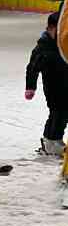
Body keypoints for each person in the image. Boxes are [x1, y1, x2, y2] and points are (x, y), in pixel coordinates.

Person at [25, 12, 68, 156]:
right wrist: (30, 87)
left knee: (62, 113)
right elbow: (32, 68)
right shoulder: (43, 47)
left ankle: (53, 139)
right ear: (50, 28)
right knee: (57, 112)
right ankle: (51, 140)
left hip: (65, 84)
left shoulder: (63, 45)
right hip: (53, 86)